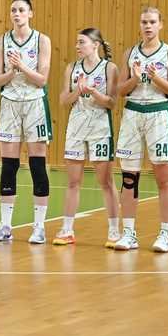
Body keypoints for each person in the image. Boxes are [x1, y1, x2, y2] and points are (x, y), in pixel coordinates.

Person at [112, 6, 168, 253]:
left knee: (164, 178)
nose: (148, 26)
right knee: (129, 177)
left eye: (152, 22)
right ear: (140, 25)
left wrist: (155, 78)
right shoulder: (130, 53)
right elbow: (121, 91)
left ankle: (165, 234)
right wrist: (134, 78)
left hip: (158, 114)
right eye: (144, 22)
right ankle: (129, 233)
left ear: (160, 24)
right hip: (132, 114)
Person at [0, 0, 53, 244]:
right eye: (13, 10)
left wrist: (22, 67)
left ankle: (39, 227)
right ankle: (5, 225)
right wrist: (11, 71)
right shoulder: (1, 42)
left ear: (30, 13)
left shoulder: (42, 40)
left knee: (37, 165)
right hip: (10, 103)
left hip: (35, 103)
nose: (17, 14)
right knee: (8, 165)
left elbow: (42, 79)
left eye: (21, 10)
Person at [53, 28, 119, 245]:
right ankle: (67, 229)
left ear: (95, 45)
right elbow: (64, 100)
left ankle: (114, 231)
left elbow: (112, 102)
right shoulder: (71, 68)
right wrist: (78, 92)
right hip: (76, 128)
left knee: (106, 181)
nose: (77, 46)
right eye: (77, 42)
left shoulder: (110, 68)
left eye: (81, 42)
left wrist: (94, 93)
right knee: (73, 182)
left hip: (100, 128)